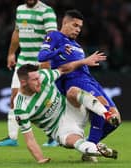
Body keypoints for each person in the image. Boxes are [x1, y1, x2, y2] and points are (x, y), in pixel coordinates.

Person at [38, 9, 121, 161]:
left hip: (89, 80)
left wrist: (85, 62)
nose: (77, 29)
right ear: (64, 22)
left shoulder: (76, 44)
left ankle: (90, 145)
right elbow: (41, 56)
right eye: (74, 25)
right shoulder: (54, 36)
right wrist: (60, 52)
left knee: (116, 119)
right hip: (73, 80)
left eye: (80, 27)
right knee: (100, 107)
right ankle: (90, 149)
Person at [13, 62, 118, 163]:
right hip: (59, 129)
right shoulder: (21, 108)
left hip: (71, 109)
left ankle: (107, 114)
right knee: (73, 140)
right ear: (23, 82)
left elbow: (63, 69)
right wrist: (41, 159)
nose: (39, 81)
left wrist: (84, 61)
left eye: (38, 77)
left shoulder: (44, 76)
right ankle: (95, 149)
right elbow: (29, 139)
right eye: (35, 79)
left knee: (72, 91)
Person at [0, 0, 58, 147]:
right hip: (23, 61)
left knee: (44, 101)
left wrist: (47, 59)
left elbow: (53, 36)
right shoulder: (20, 9)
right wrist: (11, 54)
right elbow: (17, 32)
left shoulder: (46, 11)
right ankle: (12, 137)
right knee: (14, 97)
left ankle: (53, 137)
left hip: (39, 62)